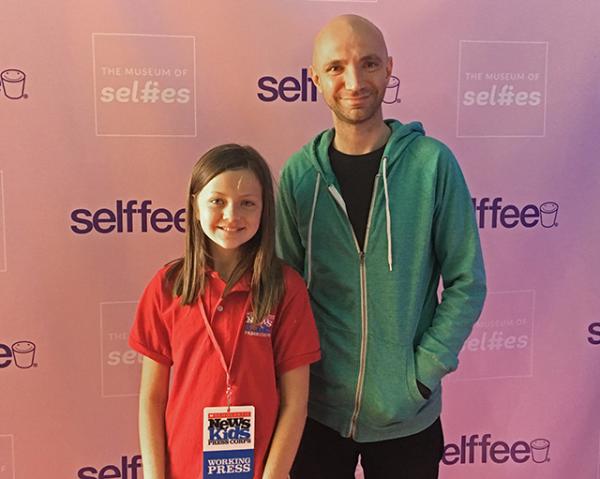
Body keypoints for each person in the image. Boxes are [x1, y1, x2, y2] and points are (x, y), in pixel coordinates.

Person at [276, 14, 486, 479]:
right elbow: (284, 290)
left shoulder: (432, 165)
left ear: (389, 68)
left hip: (407, 416)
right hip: (315, 413)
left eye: (368, 63)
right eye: (335, 68)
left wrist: (421, 374)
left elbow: (467, 281)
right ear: (315, 78)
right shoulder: (298, 176)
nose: (354, 81)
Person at [129, 144, 321, 479]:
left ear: (264, 210)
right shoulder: (167, 286)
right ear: (195, 205)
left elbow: (295, 402)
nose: (232, 215)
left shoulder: (285, 288)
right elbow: (152, 399)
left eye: (248, 203)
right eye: (218, 201)